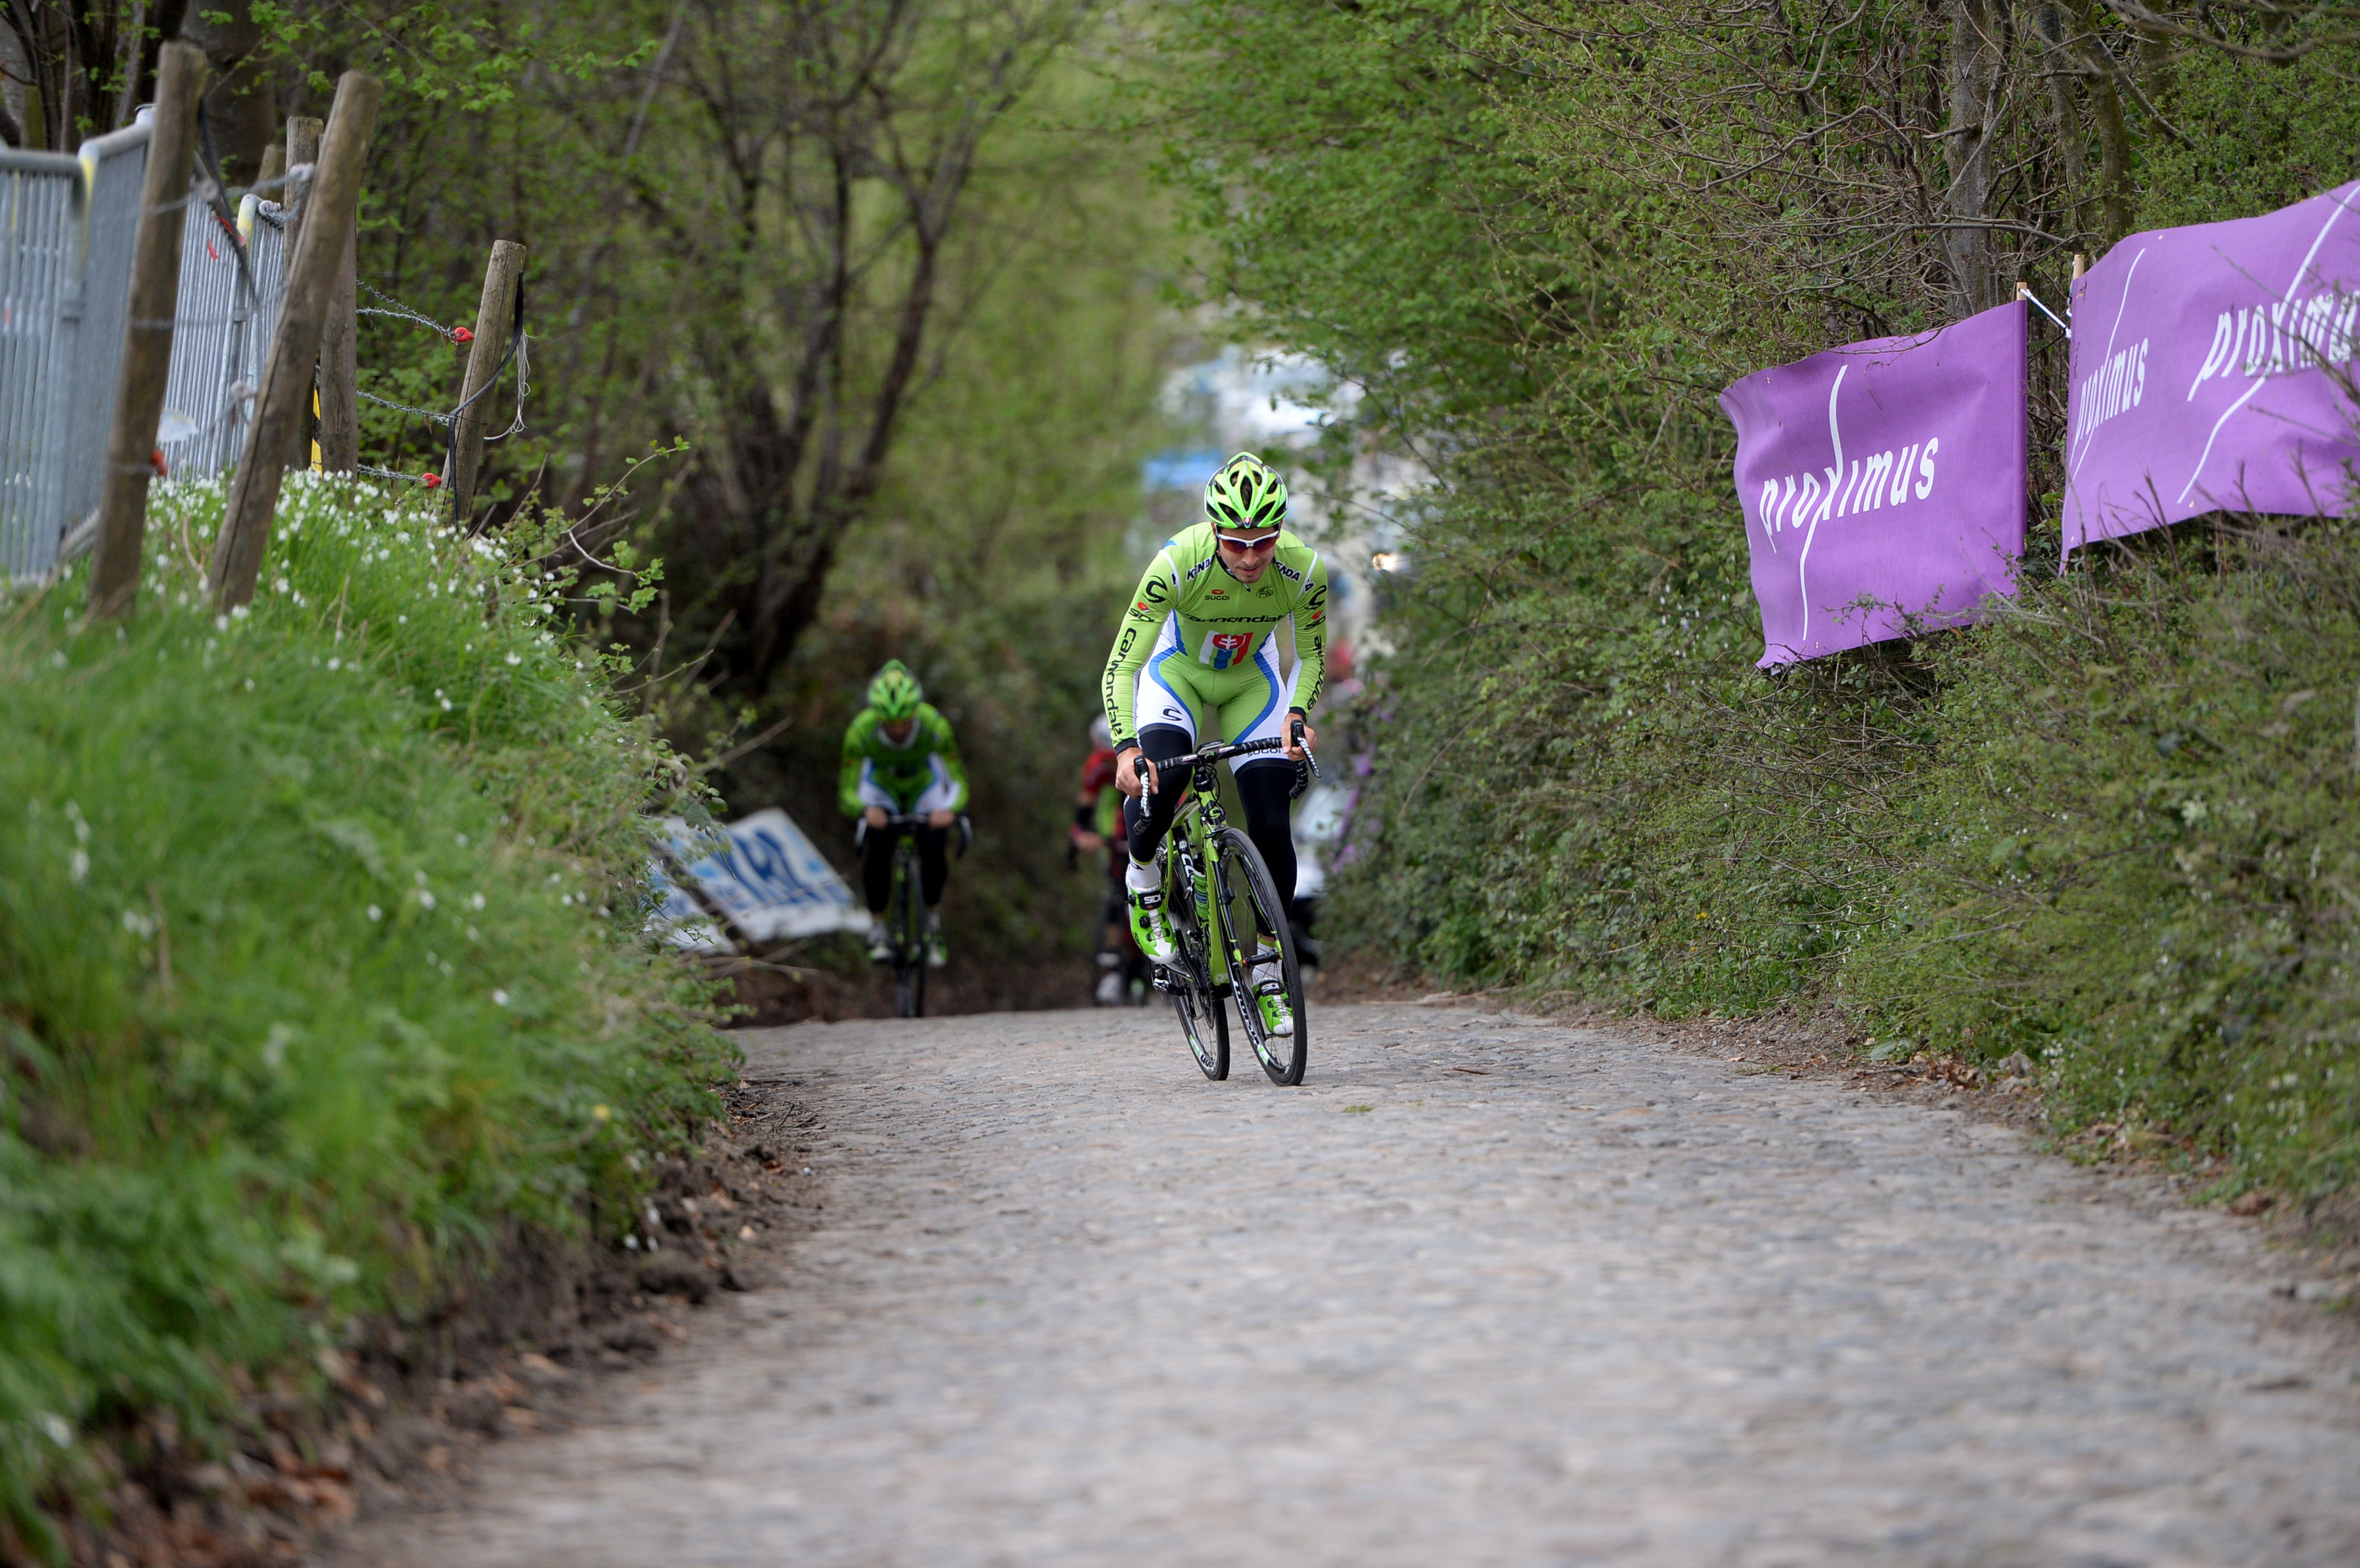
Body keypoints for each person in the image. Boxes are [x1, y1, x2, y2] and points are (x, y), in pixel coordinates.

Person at [1101, 451, 1324, 1037]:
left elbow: (1313, 654)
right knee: (1163, 781)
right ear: (1214, 531)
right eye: (1236, 543)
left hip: (1252, 680)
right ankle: (1145, 882)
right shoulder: (1177, 562)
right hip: (1178, 674)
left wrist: (1298, 713)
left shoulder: (1304, 569)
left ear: (1279, 532)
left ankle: (1271, 969)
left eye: (1263, 541)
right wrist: (1127, 749)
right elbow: (1122, 666)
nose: (1251, 557)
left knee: (1272, 820)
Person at [840, 660, 967, 967]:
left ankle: (933, 926)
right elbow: (846, 793)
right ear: (878, 717)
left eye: (905, 722)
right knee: (880, 844)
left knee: (935, 843)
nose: (897, 730)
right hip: (880, 787)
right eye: (889, 723)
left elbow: (959, 783)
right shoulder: (860, 732)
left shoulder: (935, 726)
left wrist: (950, 810)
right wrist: (864, 810)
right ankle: (879, 928)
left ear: (915, 714)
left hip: (924, 786)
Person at [1072, 714, 1145, 1005]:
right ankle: (1114, 969)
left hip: (1149, 796)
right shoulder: (1097, 766)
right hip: (1117, 820)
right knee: (1117, 889)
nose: (1108, 761)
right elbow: (1082, 814)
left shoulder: (1143, 754)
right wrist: (1079, 837)